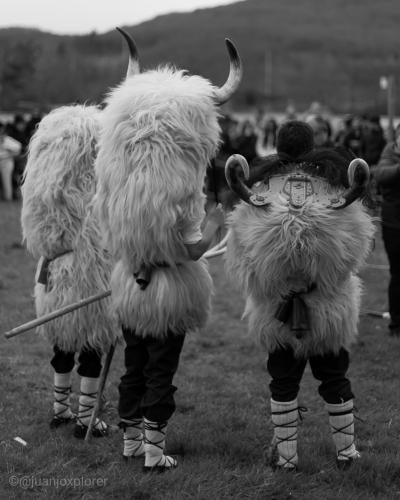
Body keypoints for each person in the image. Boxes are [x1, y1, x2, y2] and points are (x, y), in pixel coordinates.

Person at [94, 29, 241, 471]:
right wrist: (218, 219)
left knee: (134, 362)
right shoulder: (176, 198)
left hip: (129, 282)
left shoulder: (117, 193)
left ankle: (130, 442)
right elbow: (194, 250)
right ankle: (155, 450)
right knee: (160, 367)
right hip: (170, 286)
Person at [225, 121, 374, 471]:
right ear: (312, 145)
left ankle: (287, 457)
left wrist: (273, 286)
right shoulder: (335, 189)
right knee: (334, 376)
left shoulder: (258, 193)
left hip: (277, 312)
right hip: (328, 310)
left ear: (277, 145)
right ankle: (347, 453)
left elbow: (242, 262)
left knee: (283, 379)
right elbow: (354, 254)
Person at [21, 105, 118, 438]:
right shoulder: (92, 190)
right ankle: (85, 417)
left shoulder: (43, 193)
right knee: (92, 342)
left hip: (51, 270)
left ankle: (60, 410)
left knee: (62, 342)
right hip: (86, 270)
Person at [372, 123, 400, 335]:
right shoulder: (390, 151)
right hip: (394, 223)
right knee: (397, 273)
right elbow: (381, 174)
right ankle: (396, 323)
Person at [0, 122, 21, 201]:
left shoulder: (7, 139)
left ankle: (8, 198)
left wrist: (8, 151)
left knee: (6, 181)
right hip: (4, 160)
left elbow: (18, 149)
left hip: (6, 162)